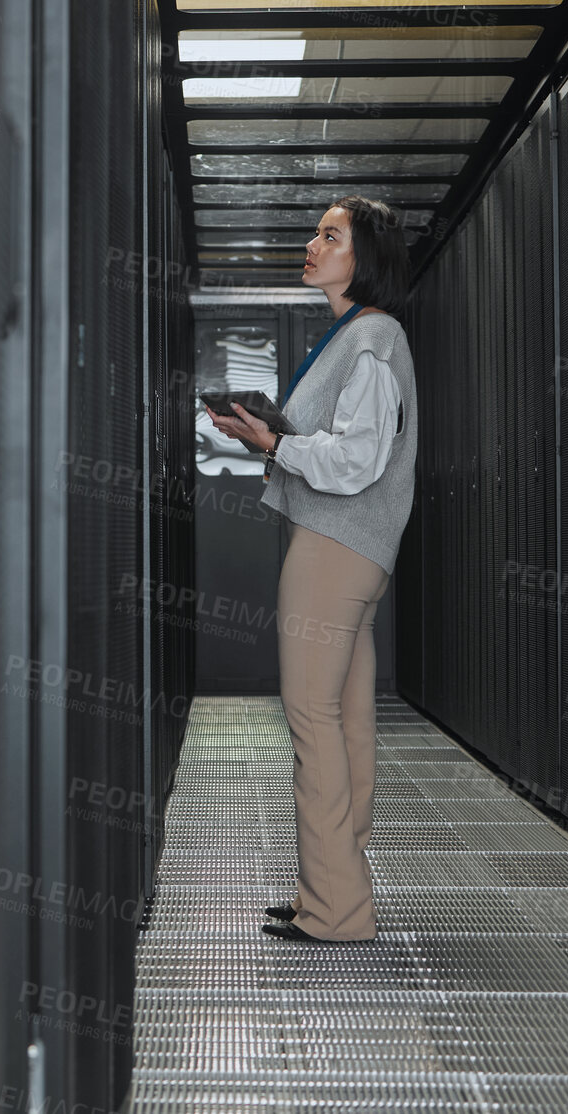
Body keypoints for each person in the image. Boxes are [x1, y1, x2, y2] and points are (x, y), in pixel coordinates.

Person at [204, 195, 418, 944]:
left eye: (331, 235)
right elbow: (337, 445)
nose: (313, 243)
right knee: (347, 718)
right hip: (354, 548)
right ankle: (333, 891)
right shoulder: (360, 336)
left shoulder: (371, 340)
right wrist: (266, 437)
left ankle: (333, 911)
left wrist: (274, 446)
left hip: (333, 548)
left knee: (311, 718)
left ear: (366, 258)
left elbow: (358, 460)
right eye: (316, 232)